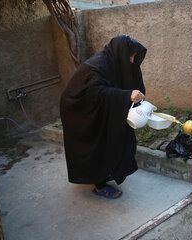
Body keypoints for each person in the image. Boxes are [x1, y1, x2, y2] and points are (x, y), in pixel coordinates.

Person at [60, 35, 147, 199]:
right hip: (79, 110)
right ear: (121, 52)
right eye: (131, 55)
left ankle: (104, 171)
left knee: (112, 138)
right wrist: (127, 95)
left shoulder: (114, 62)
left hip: (98, 108)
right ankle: (99, 185)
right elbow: (95, 93)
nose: (132, 60)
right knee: (97, 144)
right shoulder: (98, 66)